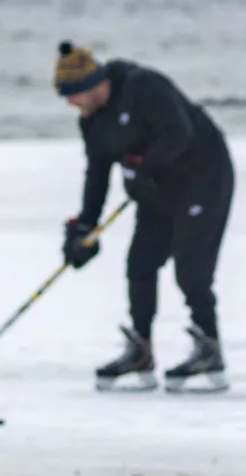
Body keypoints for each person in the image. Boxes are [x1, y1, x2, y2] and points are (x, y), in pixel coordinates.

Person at [54, 42, 233, 392]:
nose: (70, 103)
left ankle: (210, 348)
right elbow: (97, 172)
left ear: (93, 84)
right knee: (140, 264)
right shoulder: (92, 122)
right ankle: (140, 350)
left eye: (73, 94)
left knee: (191, 269)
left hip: (203, 178)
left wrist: (143, 170)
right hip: (155, 188)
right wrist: (85, 227)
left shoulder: (143, 86)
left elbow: (179, 131)